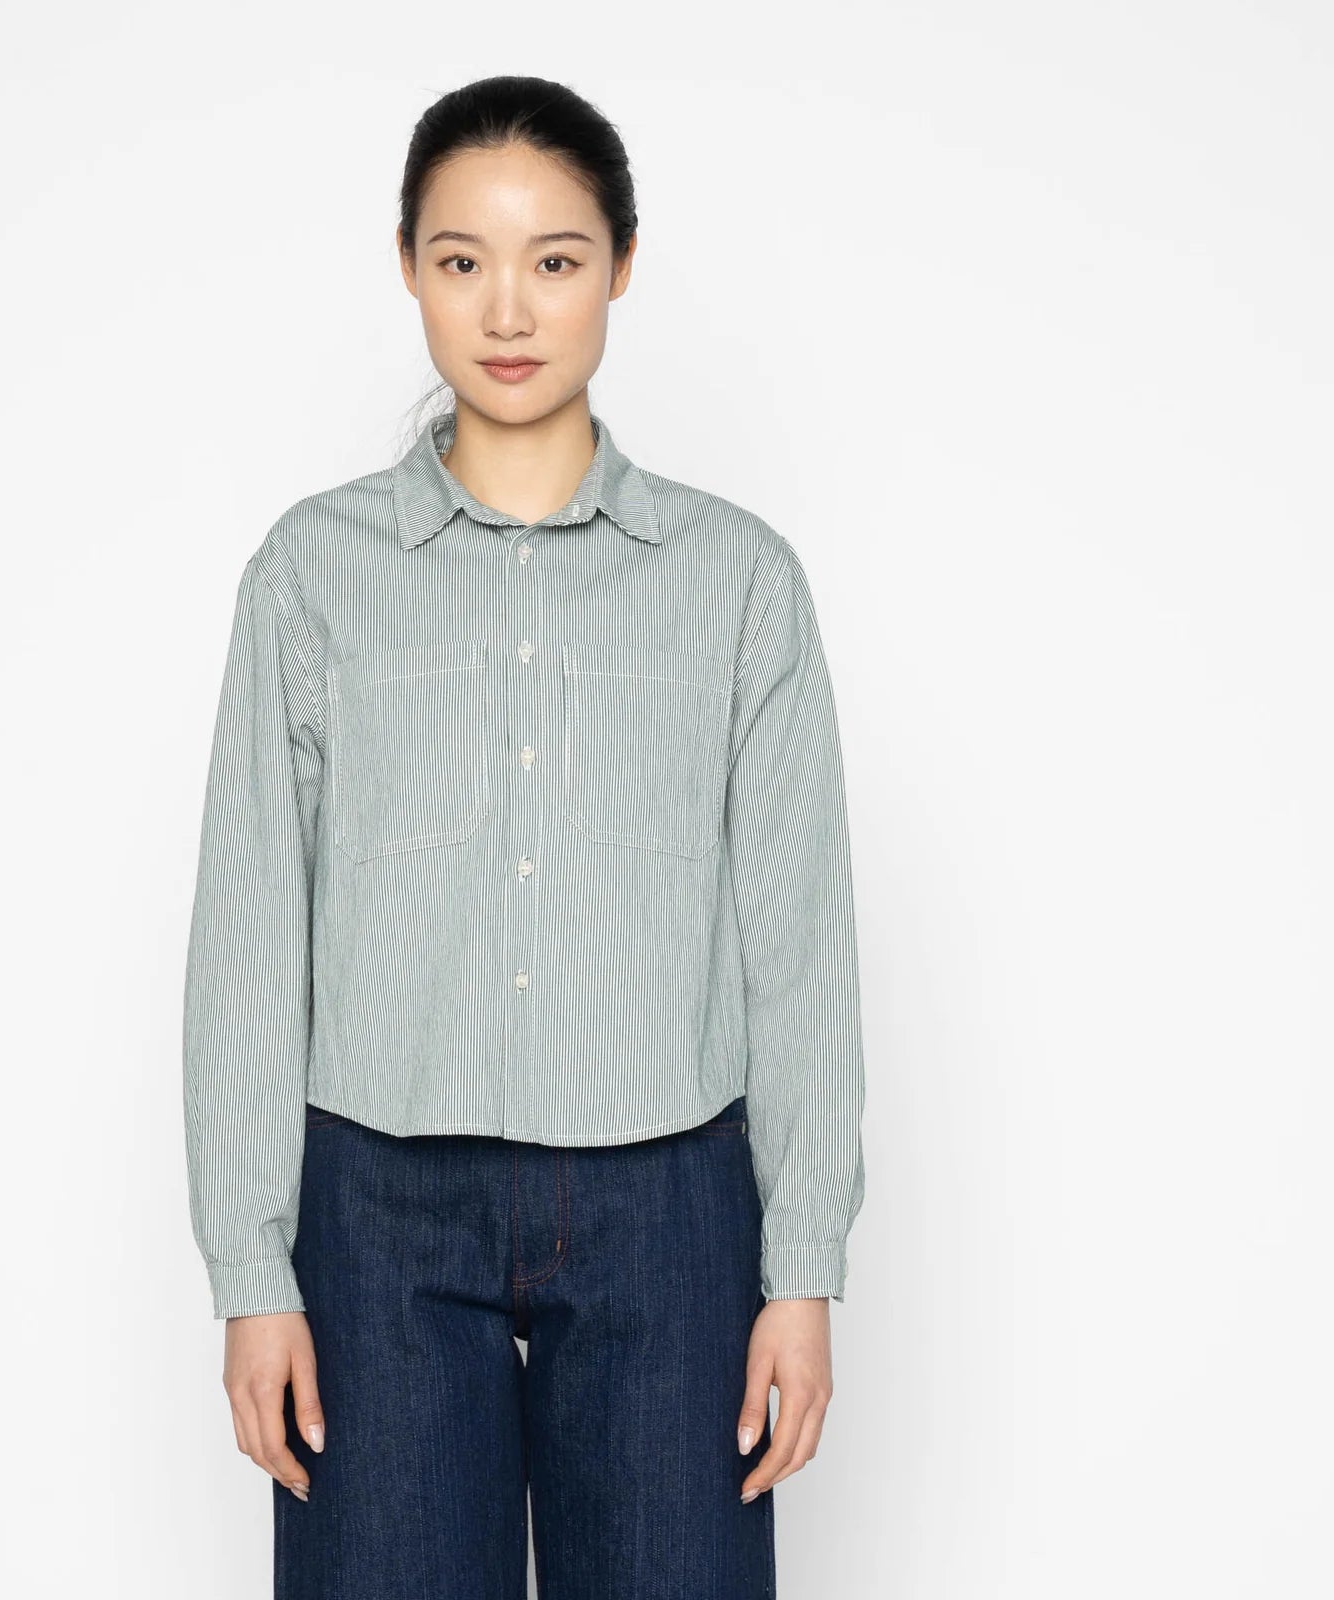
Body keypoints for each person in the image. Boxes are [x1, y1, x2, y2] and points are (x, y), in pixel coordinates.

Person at [182, 73, 867, 1599]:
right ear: (408, 268)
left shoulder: (736, 579)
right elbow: (250, 936)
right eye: (461, 259)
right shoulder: (310, 574)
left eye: (555, 259)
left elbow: (799, 942)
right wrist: (251, 1270)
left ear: (620, 265)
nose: (508, 309)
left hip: (668, 1206)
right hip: (377, 1209)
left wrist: (803, 1268)